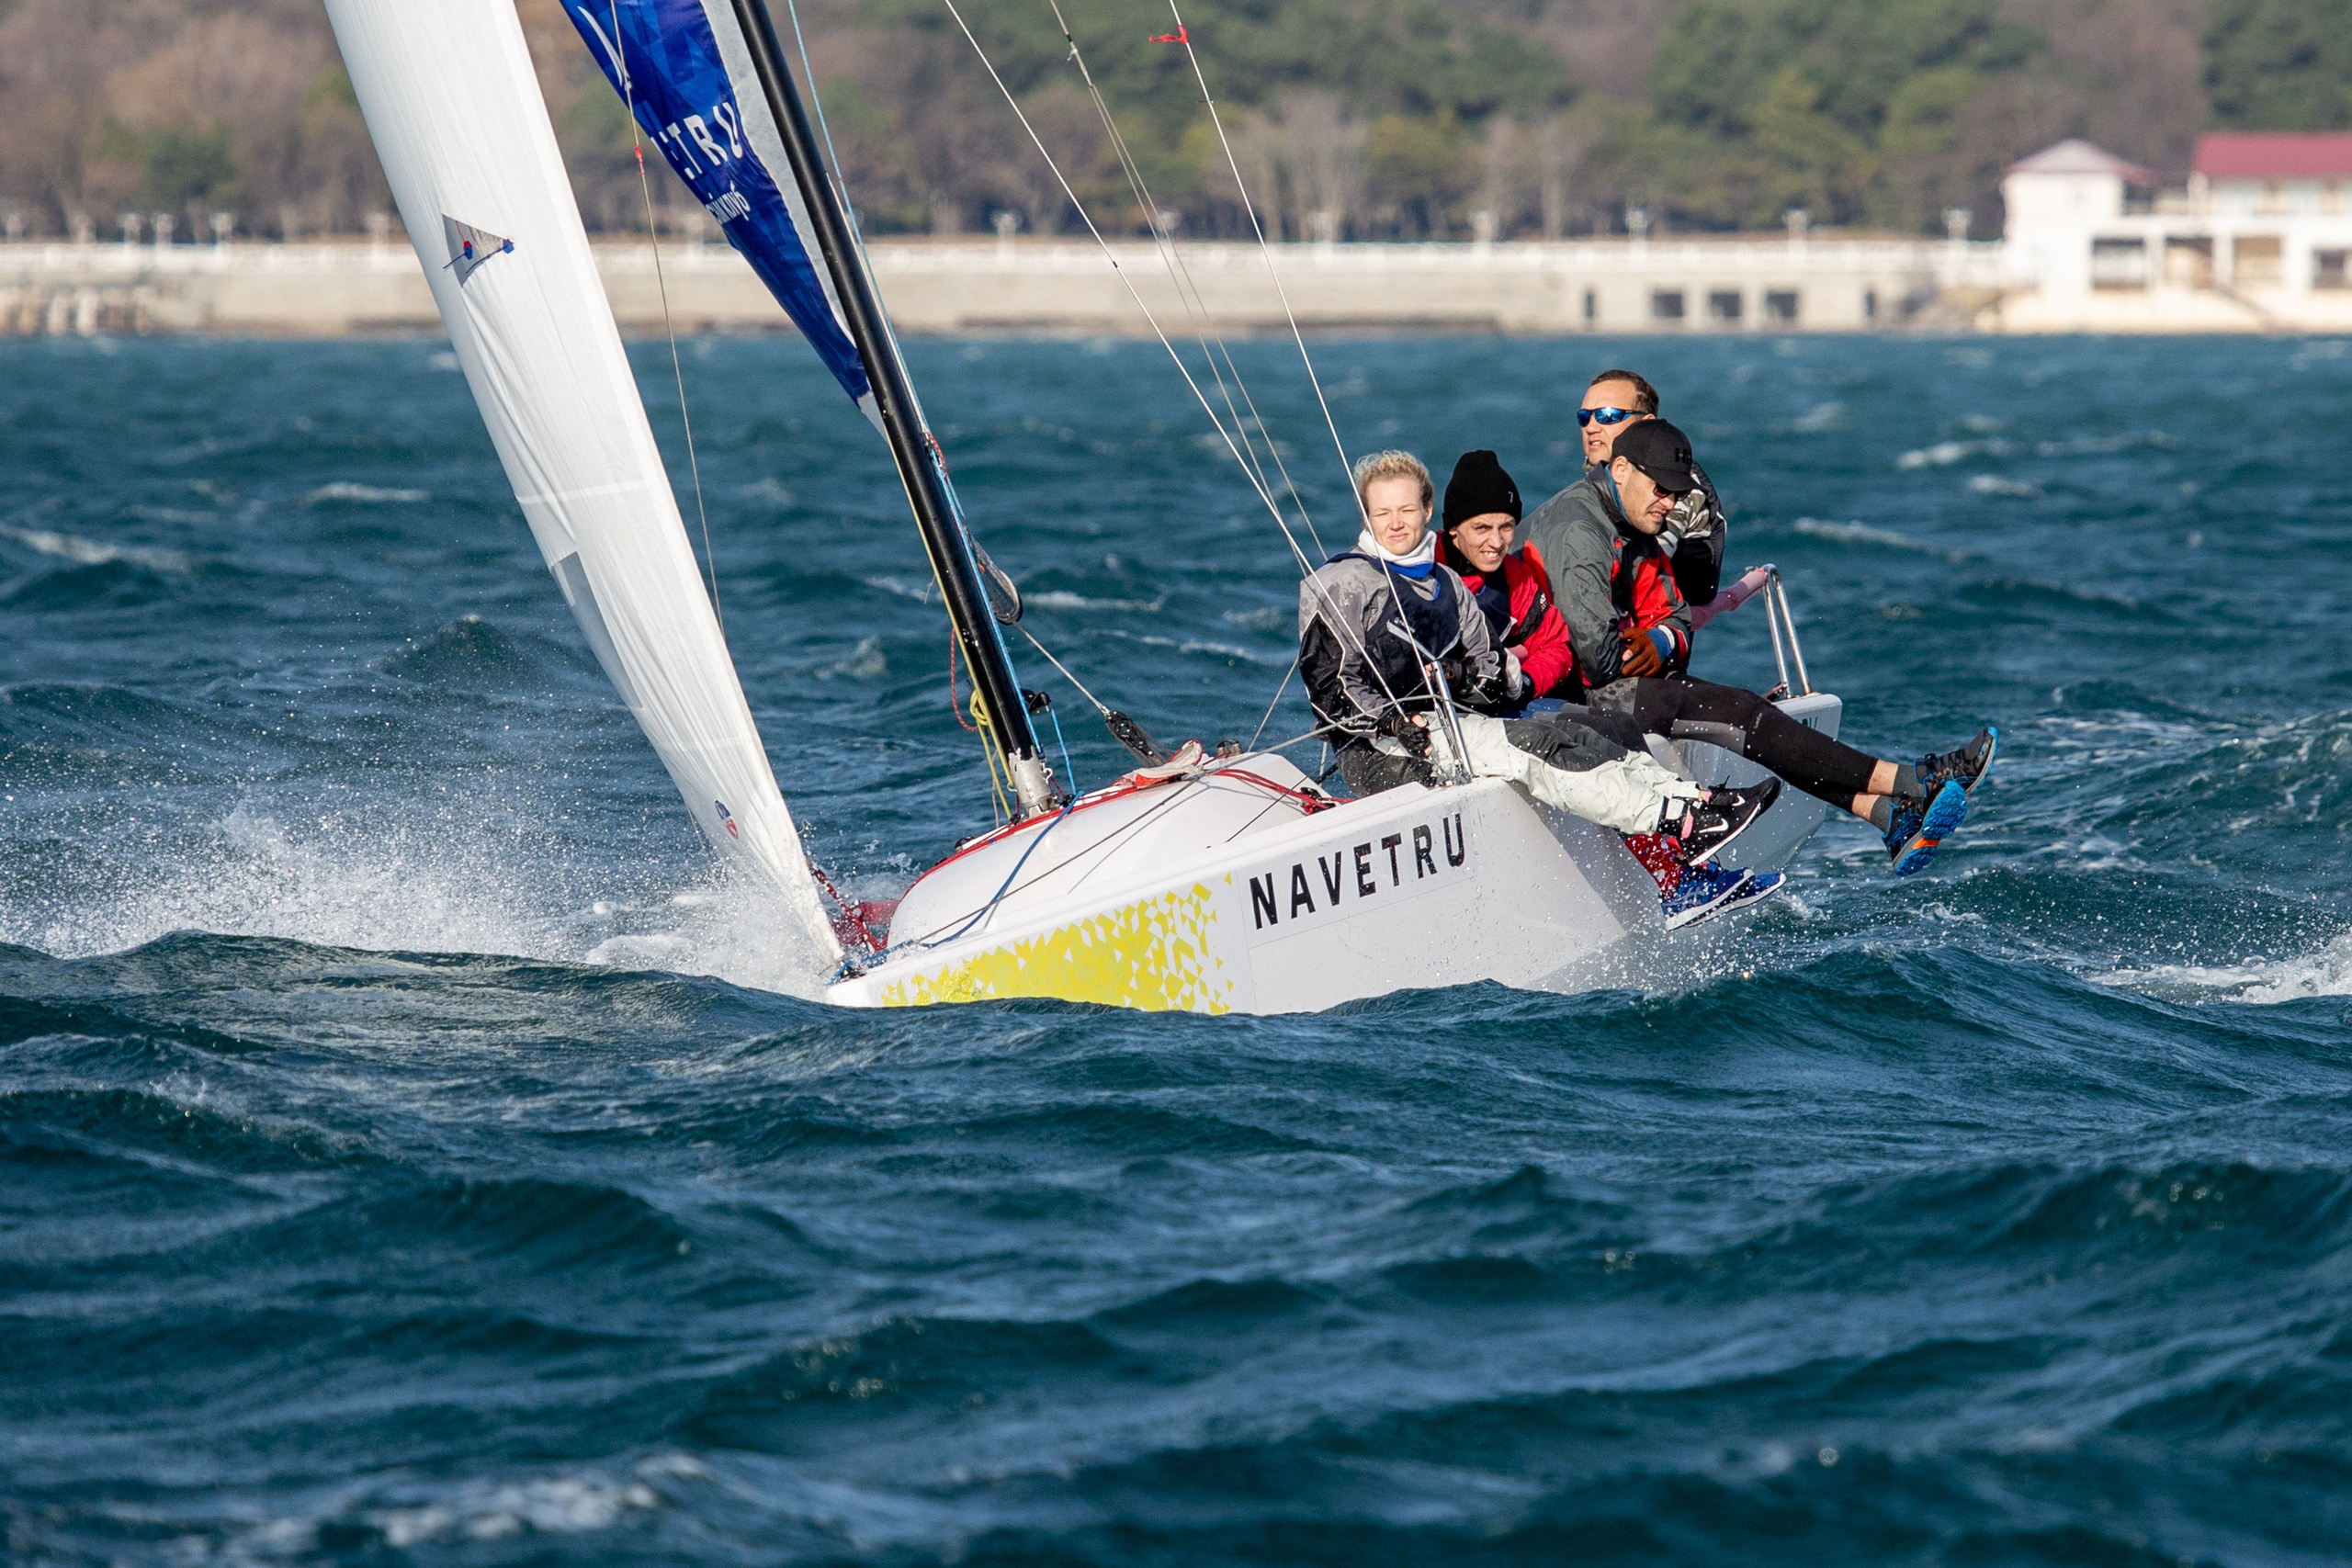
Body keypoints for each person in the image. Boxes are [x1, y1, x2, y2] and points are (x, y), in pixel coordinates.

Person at [1298, 449, 1784, 927]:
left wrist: (1472, 678)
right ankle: (1677, 821)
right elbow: (1328, 688)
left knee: (1591, 731)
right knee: (1534, 742)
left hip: (1451, 729)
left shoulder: (1444, 583)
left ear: (1426, 512)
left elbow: (1494, 675)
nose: (1397, 523)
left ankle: (1695, 809)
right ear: (1367, 515)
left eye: (1406, 510)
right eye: (1382, 512)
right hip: (1377, 749)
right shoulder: (1341, 583)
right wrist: (1393, 720)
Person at [1521, 418, 1997, 875]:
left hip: (1588, 680)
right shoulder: (1580, 531)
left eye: (1677, 494)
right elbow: (1601, 662)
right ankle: (1911, 784)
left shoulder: (1630, 519)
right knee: (1738, 712)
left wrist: (1661, 639)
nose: (1669, 504)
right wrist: (1654, 642)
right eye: (1661, 490)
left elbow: (1675, 616)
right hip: (1544, 695)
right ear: (1620, 470)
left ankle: (1888, 815)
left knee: (1732, 710)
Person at [1431, 449, 1577, 707]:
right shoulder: (1423, 569)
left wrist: (1524, 682)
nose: (1497, 542)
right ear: (1453, 528)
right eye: (1482, 528)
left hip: (1498, 707)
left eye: (1507, 526)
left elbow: (1555, 644)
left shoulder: (1513, 575)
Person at [1577, 367, 1728, 606]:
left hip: (1656, 626)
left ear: (1647, 423)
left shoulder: (1676, 486)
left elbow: (1639, 567)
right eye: (1585, 417)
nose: (1592, 427)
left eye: (1608, 415)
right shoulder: (1602, 477)